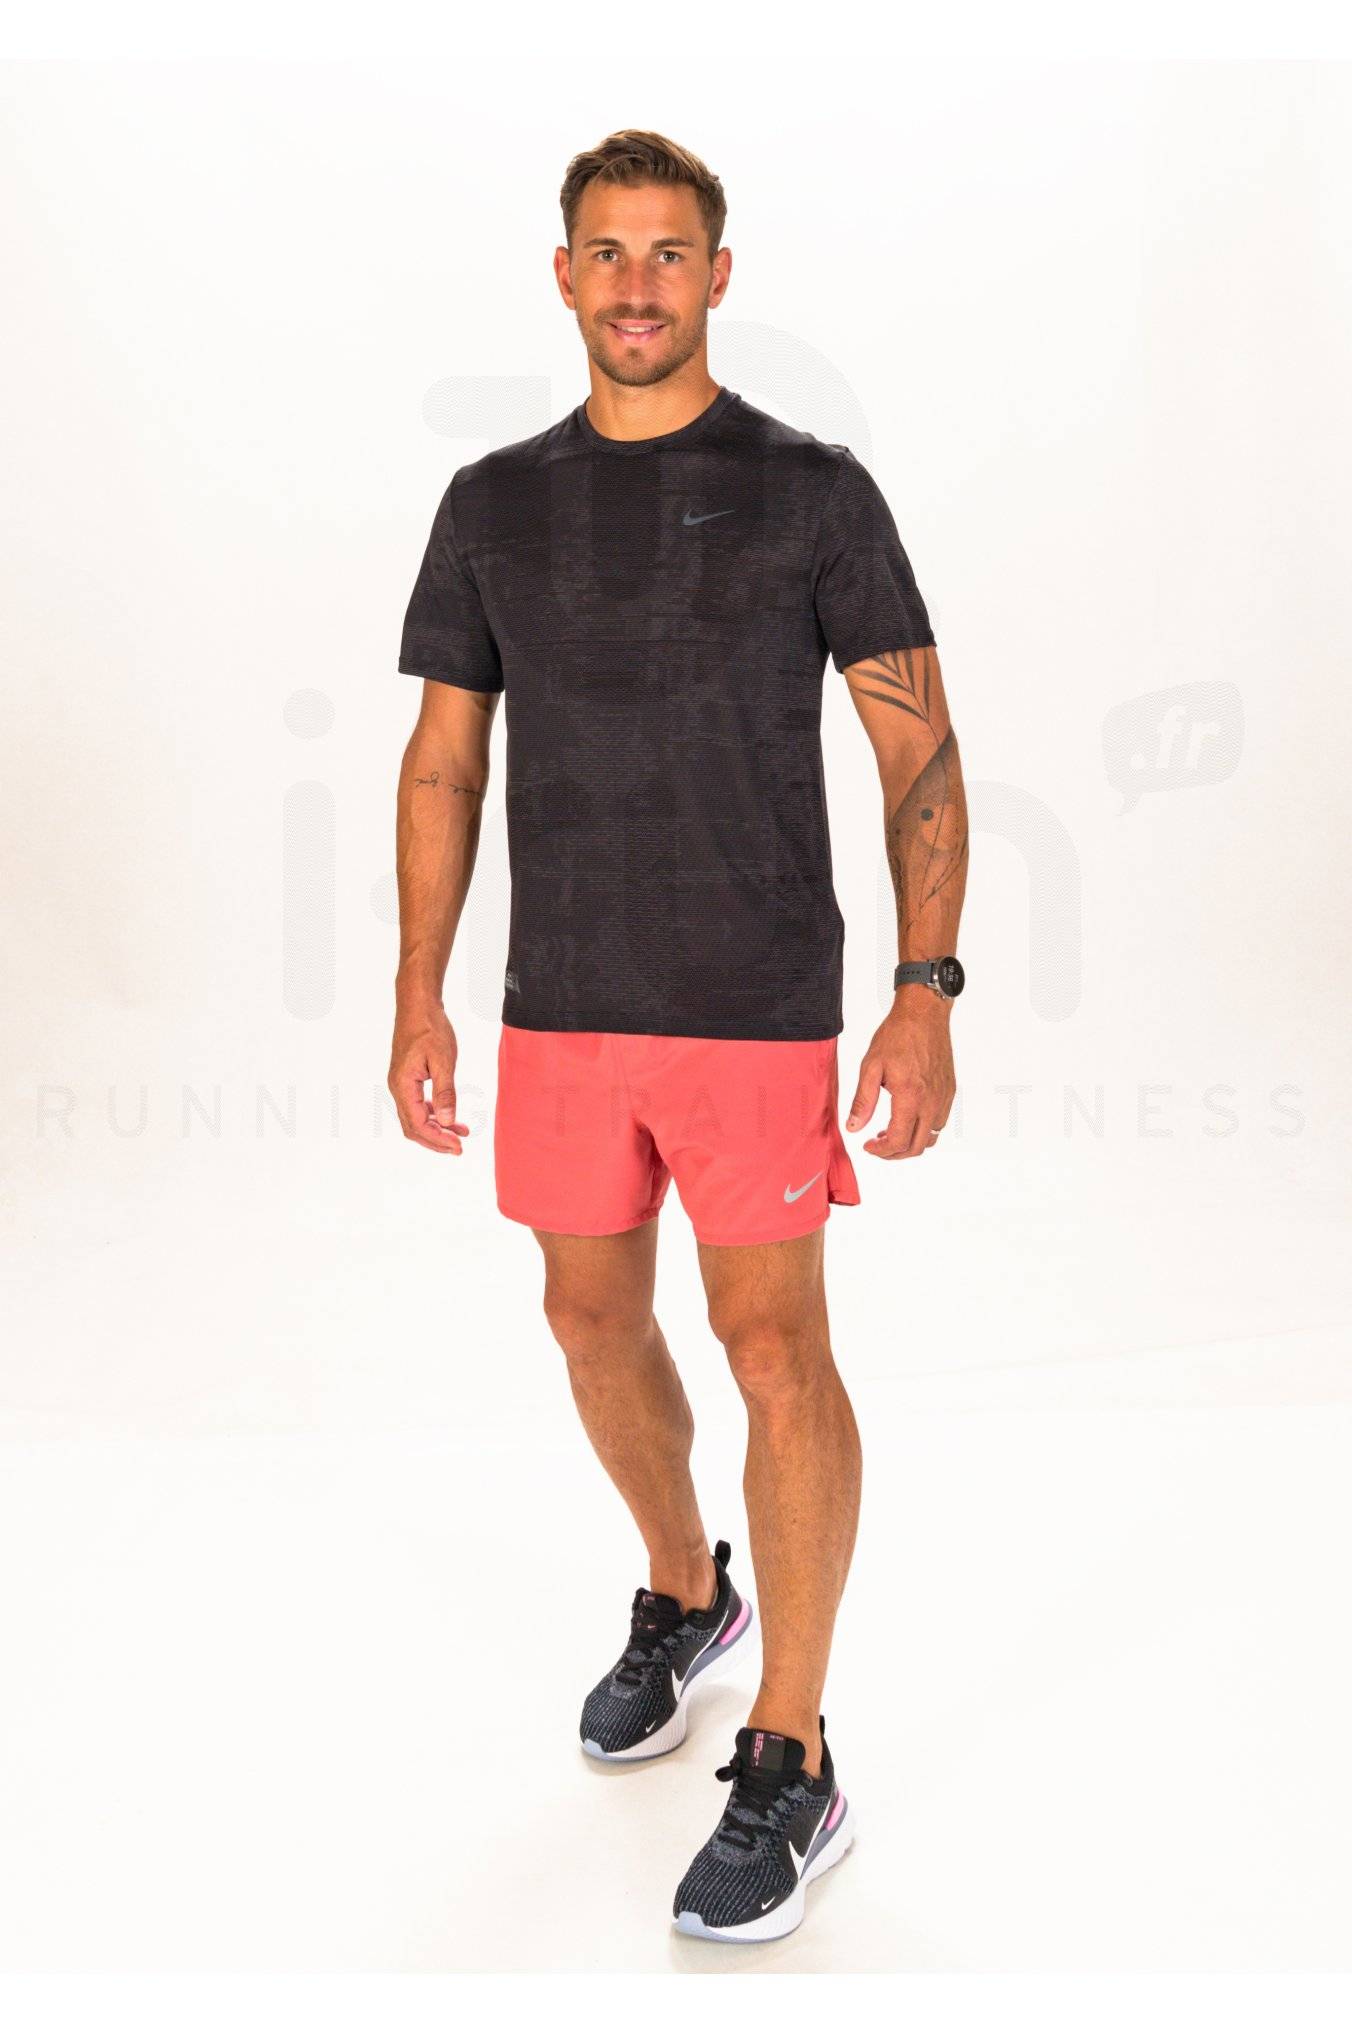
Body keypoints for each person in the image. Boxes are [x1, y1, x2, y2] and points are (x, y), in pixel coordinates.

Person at [389, 129, 969, 1944]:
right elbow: (444, 758)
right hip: (563, 996)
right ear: (562, 274)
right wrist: (415, 987)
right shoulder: (491, 501)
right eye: (606, 251)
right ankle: (684, 1587)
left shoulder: (812, 491)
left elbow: (917, 744)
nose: (636, 283)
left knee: (773, 1343)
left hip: (752, 995)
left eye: (668, 253)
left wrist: (927, 986)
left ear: (719, 275)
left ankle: (794, 1749)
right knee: (585, 1315)